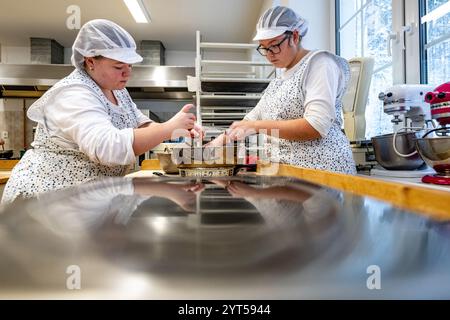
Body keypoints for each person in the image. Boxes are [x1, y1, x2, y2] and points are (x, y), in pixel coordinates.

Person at [2, 19, 201, 203]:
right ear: (90, 61)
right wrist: (168, 128)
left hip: (87, 198)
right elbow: (107, 149)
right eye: (118, 66)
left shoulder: (117, 90)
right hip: (49, 199)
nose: (127, 73)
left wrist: (178, 128)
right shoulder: (73, 93)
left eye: (130, 65)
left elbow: (141, 123)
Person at [208, 6, 356, 175]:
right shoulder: (279, 81)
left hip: (323, 172)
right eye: (263, 47)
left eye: (274, 45)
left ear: (294, 36)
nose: (269, 54)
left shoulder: (320, 64)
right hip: (289, 174)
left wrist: (256, 126)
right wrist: (214, 144)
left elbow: (316, 125)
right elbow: (250, 119)